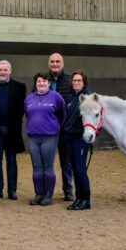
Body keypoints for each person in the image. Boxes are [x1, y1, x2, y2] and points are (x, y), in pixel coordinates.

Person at [0, 60, 27, 200]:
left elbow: (21, 109)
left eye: (5, 70)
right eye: (0, 70)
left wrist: (13, 123)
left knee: (12, 161)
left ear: (10, 71)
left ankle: (12, 190)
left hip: (11, 130)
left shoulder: (20, 87)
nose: (3, 72)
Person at [25, 72, 66, 206]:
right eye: (38, 81)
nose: (41, 83)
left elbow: (62, 115)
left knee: (48, 167)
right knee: (37, 166)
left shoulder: (56, 97)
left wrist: (53, 127)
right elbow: (27, 114)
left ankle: (48, 194)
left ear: (49, 83)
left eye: (44, 81)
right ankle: (38, 194)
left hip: (49, 137)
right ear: (35, 83)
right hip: (33, 138)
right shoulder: (29, 99)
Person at [46, 52, 75, 201]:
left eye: (58, 61)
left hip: (65, 127)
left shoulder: (70, 80)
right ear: (48, 64)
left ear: (62, 64)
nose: (55, 64)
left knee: (66, 160)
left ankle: (68, 190)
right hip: (47, 128)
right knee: (47, 161)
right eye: (52, 61)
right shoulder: (42, 80)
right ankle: (46, 191)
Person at [63, 70, 92, 210]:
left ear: (84, 82)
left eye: (79, 80)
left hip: (80, 138)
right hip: (69, 137)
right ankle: (79, 197)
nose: (76, 83)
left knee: (80, 169)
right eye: (74, 80)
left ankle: (86, 199)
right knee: (74, 168)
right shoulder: (72, 97)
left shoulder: (88, 98)